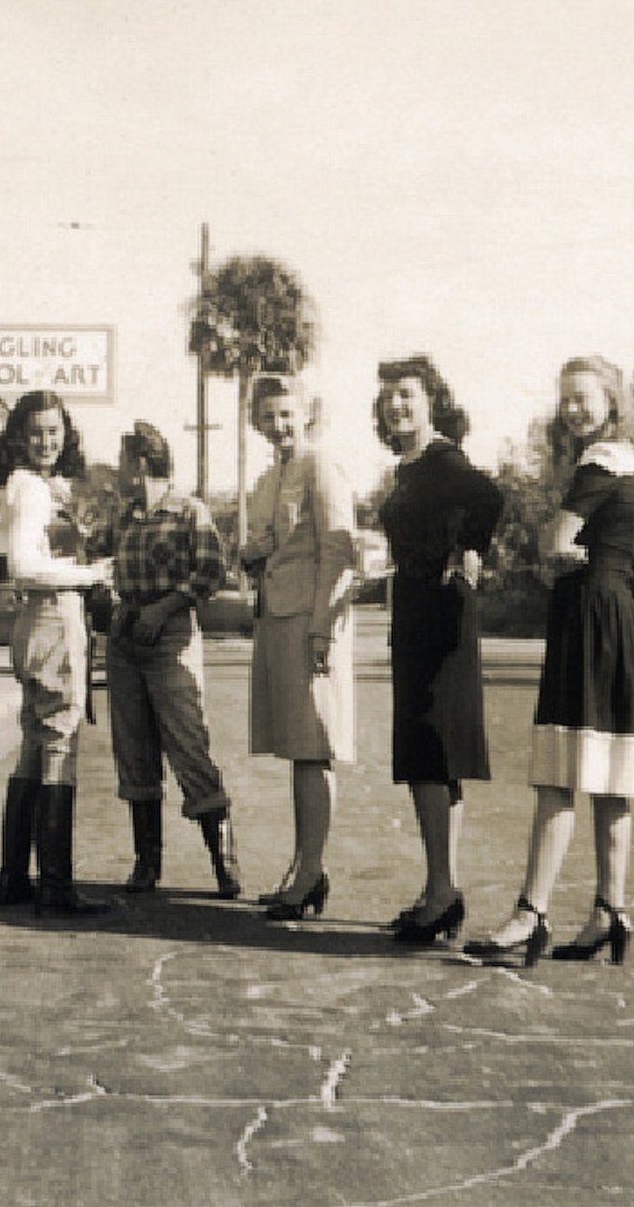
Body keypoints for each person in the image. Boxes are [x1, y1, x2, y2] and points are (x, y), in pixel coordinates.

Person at [467, 356, 634, 969]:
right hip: (621, 615)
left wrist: (563, 552)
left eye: (583, 398)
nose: (573, 409)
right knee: (611, 774)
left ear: (612, 398)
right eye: (566, 400)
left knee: (559, 774)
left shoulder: (596, 463)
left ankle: (531, 915)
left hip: (586, 617)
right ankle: (611, 909)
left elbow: (554, 541)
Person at [372, 356, 504, 946]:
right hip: (417, 610)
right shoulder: (413, 466)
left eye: (407, 395)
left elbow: (489, 498)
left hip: (441, 616)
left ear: (432, 400)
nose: (396, 405)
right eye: (389, 397)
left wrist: (468, 552)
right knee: (428, 758)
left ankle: (443, 892)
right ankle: (439, 888)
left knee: (434, 753)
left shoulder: (443, 460)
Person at [0, 390, 116, 918]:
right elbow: (22, 564)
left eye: (55, 430)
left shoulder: (36, 486)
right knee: (58, 742)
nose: (47, 440)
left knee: (35, 746)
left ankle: (16, 876)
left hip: (46, 618)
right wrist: (89, 573)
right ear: (20, 436)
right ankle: (56, 885)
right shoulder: (29, 488)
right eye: (37, 431)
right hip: (51, 616)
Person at [240, 374, 359, 923]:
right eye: (268, 416)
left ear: (305, 413)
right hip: (277, 620)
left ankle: (312, 872)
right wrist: (253, 551)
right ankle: (302, 866)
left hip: (310, 623)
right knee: (298, 749)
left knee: (313, 747)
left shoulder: (319, 463)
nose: (278, 425)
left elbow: (339, 548)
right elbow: (267, 546)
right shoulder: (270, 477)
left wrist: (321, 630)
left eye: (286, 414)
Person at [105, 421, 239, 898]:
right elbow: (101, 564)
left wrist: (163, 609)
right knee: (134, 751)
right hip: (125, 641)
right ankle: (147, 863)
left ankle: (223, 863)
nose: (119, 473)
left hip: (170, 638)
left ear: (140, 463)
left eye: (123, 462)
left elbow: (211, 571)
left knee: (188, 746)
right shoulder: (122, 517)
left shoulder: (188, 511)